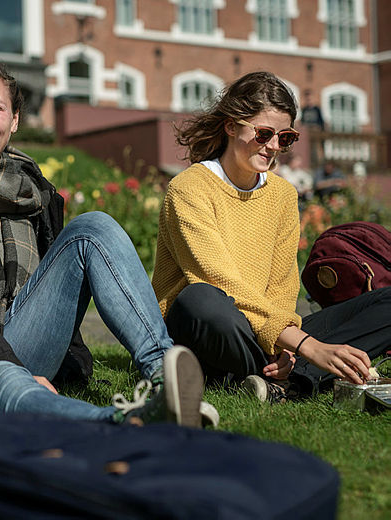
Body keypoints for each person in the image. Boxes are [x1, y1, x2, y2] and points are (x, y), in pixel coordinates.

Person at [0, 62, 216, 428]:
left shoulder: (34, 190)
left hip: (18, 335)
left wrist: (71, 363)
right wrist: (12, 366)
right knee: (4, 380)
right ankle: (128, 422)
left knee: (94, 227)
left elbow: (53, 293)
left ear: (14, 120)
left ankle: (162, 376)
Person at [153, 71, 391, 402]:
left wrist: (285, 345)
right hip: (206, 327)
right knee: (202, 300)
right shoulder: (189, 188)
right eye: (264, 133)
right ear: (231, 126)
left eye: (286, 137)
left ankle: (283, 378)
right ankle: (295, 374)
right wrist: (305, 344)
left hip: (268, 329)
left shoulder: (282, 195)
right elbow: (220, 281)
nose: (274, 146)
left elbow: (282, 286)